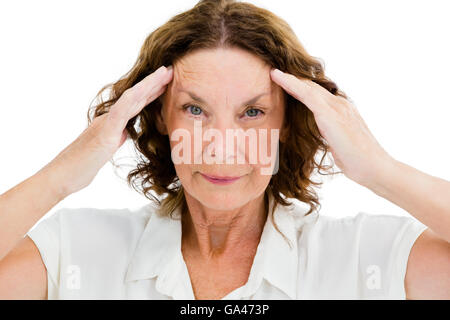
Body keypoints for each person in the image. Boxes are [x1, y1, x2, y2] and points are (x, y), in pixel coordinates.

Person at [0, 0, 449, 300]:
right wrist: (61, 177)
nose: (221, 147)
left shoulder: (364, 254)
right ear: (160, 116)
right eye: (195, 109)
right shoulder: (76, 249)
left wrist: (379, 171)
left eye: (252, 113)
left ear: (288, 124)